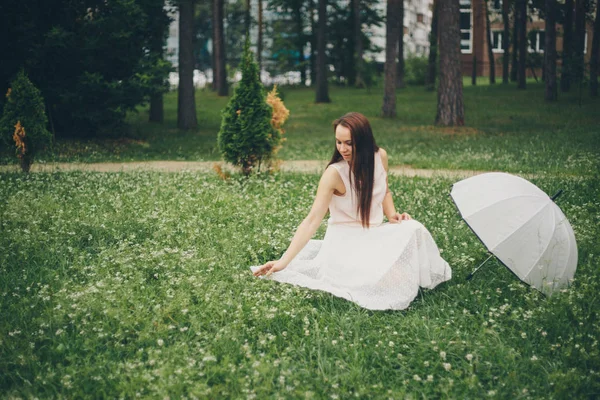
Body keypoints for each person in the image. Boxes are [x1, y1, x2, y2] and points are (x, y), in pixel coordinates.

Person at [252, 112, 451, 310]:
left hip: (373, 233)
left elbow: (385, 190)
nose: (342, 149)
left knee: (413, 228)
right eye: (338, 142)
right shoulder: (334, 174)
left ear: (363, 141)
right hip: (345, 244)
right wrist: (283, 261)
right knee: (385, 282)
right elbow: (312, 220)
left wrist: (392, 214)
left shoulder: (380, 157)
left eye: (349, 143)